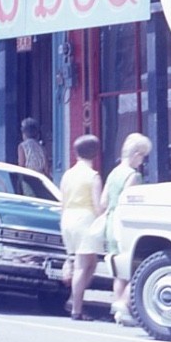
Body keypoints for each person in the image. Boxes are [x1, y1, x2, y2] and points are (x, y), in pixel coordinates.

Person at [103, 132, 152, 326]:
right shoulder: (133, 176)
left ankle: (119, 312)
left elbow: (103, 201)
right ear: (136, 154)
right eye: (143, 156)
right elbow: (131, 202)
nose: (142, 161)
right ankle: (124, 304)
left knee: (119, 269)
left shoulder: (113, 173)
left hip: (110, 222)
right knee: (138, 266)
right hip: (123, 224)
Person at [58, 133, 105, 321]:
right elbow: (97, 205)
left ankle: (74, 298)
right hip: (85, 219)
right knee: (83, 266)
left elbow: (62, 203)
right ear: (95, 153)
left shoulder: (68, 175)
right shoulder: (93, 176)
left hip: (68, 218)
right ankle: (75, 308)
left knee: (89, 263)